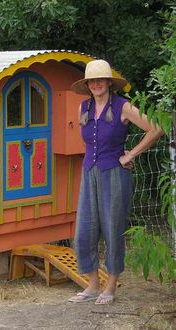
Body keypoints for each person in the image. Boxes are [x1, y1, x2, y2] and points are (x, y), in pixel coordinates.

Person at [67, 59, 163, 305]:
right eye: (92, 81)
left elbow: (155, 129)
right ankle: (91, 285)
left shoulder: (123, 106)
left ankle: (110, 287)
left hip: (114, 174)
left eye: (100, 80)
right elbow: (89, 141)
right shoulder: (83, 108)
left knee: (113, 228)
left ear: (109, 82)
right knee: (84, 231)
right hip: (90, 172)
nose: (96, 84)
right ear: (87, 85)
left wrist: (130, 154)